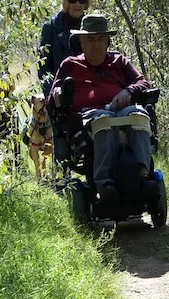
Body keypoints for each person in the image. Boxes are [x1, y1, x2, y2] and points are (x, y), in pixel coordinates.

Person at [48, 13, 157, 200]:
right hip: (86, 119)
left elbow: (142, 83)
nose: (96, 44)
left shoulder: (119, 61)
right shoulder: (70, 65)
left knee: (138, 114)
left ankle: (143, 175)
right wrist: (57, 93)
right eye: (90, 39)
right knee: (103, 120)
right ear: (81, 42)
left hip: (120, 112)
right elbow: (52, 97)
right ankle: (104, 183)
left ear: (107, 41)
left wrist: (128, 92)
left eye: (101, 38)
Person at [37, 0, 89, 97]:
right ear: (66, 2)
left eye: (82, 0)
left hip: (88, 90)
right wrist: (52, 93)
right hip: (61, 92)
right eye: (73, 0)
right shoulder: (51, 26)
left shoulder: (91, 26)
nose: (78, 4)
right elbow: (43, 67)